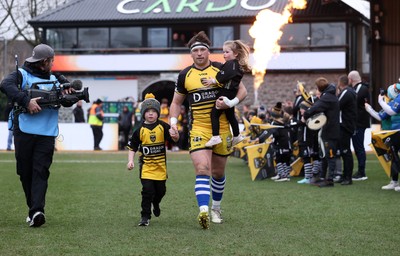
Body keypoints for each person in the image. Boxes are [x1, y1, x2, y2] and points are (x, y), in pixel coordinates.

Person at [168, 31, 247, 229]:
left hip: (222, 128)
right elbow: (176, 102)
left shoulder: (222, 68)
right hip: (199, 129)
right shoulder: (185, 74)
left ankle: (216, 208)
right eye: (196, 51)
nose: (200, 53)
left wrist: (231, 102)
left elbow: (242, 90)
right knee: (202, 168)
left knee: (218, 173)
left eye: (203, 49)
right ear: (191, 54)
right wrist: (172, 123)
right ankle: (203, 210)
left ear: (209, 52)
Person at [0, 43, 75, 227]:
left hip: (46, 134)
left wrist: (69, 94)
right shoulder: (21, 74)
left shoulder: (56, 78)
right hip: (23, 131)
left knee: (40, 171)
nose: (53, 64)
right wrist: (26, 101)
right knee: (24, 172)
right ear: (44, 62)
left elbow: (64, 102)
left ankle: (37, 211)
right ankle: (33, 209)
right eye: (51, 61)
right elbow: (5, 84)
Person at [126, 93, 179, 226]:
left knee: (161, 191)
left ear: (158, 113)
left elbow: (175, 139)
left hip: (161, 168)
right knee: (147, 192)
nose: (150, 114)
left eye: (153, 111)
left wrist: (175, 134)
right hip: (146, 169)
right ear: (143, 113)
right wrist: (130, 160)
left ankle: (156, 202)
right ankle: (145, 217)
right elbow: (132, 147)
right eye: (148, 111)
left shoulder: (163, 126)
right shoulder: (139, 130)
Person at [201, 40, 251, 147]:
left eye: (227, 52)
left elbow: (224, 76)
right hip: (231, 93)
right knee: (230, 115)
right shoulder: (237, 65)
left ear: (236, 53)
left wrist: (213, 80)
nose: (224, 55)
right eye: (223, 52)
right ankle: (237, 135)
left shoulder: (231, 64)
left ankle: (215, 136)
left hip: (225, 93)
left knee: (214, 114)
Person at [302, 77, 340, 187]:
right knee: (325, 154)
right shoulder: (329, 95)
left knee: (330, 155)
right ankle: (323, 177)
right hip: (328, 129)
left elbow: (316, 107)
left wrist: (305, 115)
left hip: (330, 131)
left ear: (319, 88)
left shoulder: (327, 97)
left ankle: (330, 180)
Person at [365, 83, 400, 191]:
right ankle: (394, 181)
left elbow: (391, 111)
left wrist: (380, 101)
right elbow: (381, 116)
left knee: (395, 156)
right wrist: (369, 109)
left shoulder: (395, 100)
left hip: (397, 131)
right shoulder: (393, 101)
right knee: (394, 156)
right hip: (393, 132)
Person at [348, 70, 370, 181]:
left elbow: (354, 102)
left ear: (351, 79)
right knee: (358, 147)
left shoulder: (361, 88)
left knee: (359, 147)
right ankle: (361, 171)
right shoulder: (361, 88)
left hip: (359, 122)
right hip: (358, 122)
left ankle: (362, 172)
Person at [336, 75, 357, 185]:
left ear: (340, 83)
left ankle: (348, 177)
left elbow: (337, 105)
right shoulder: (351, 91)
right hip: (347, 124)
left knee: (345, 151)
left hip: (345, 125)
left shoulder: (346, 92)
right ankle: (345, 175)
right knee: (345, 151)